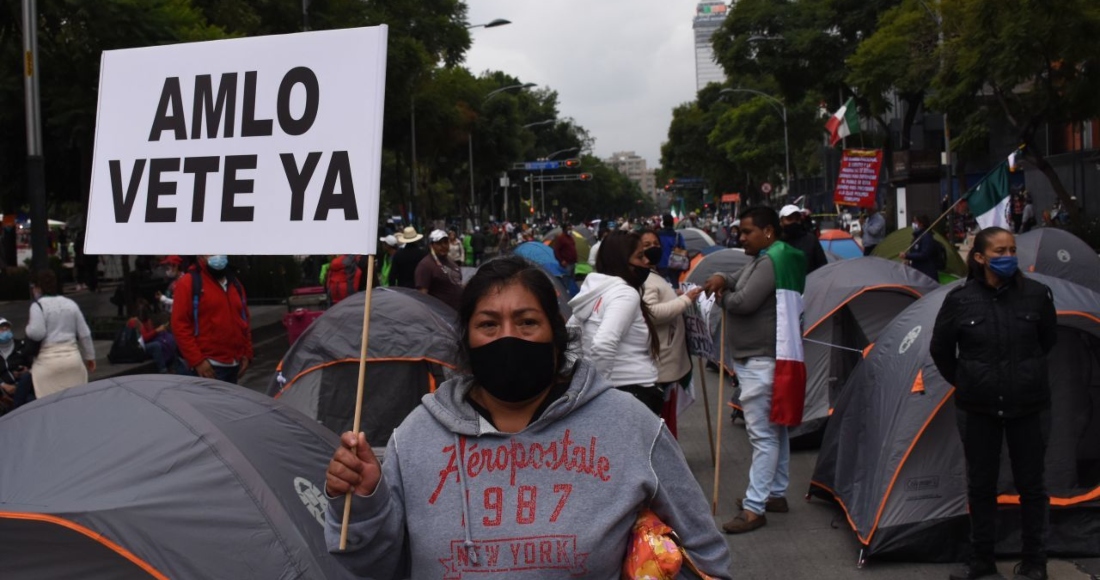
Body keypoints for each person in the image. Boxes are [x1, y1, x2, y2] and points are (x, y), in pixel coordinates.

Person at [323, 257, 732, 578]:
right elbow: (371, 568)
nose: (507, 337)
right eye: (488, 324)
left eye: (527, 322)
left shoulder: (630, 425)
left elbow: (706, 555)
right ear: (466, 338)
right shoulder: (414, 437)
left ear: (556, 335)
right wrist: (364, 504)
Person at [930, 227, 1056, 580]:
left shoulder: (1037, 295)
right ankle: (982, 561)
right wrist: (968, 381)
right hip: (978, 409)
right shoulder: (959, 300)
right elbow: (941, 351)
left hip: (1029, 406)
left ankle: (1035, 563)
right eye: (1000, 250)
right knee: (981, 486)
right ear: (981, 257)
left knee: (1032, 486)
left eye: (1012, 249)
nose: (1009, 256)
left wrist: (1020, 376)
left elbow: (1047, 340)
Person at [702, 207, 806, 534]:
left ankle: (754, 507)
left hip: (760, 360)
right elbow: (742, 280)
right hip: (762, 358)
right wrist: (724, 279)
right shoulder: (768, 258)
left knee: (763, 435)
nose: (741, 237)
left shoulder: (770, 260)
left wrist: (721, 297)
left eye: (747, 232)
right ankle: (775, 493)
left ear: (769, 231)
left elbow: (744, 300)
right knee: (775, 431)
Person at [568, 231, 662, 414]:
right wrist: (597, 393)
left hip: (623, 391)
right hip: (632, 392)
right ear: (620, 260)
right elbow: (603, 344)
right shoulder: (624, 293)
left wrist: (575, 379)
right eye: (640, 256)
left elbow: (570, 334)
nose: (646, 262)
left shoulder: (594, 291)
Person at [640, 230, 703, 437]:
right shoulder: (646, 278)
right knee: (660, 420)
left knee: (665, 415)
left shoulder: (653, 273)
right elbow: (652, 312)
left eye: (655, 243)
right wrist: (685, 300)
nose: (653, 247)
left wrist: (675, 295)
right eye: (646, 244)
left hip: (666, 358)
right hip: (661, 360)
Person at [171, 255, 253, 384]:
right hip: (209, 369)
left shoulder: (235, 283)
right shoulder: (188, 283)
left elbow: (244, 319)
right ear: (200, 256)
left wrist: (247, 353)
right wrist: (197, 361)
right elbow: (180, 325)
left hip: (234, 365)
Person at [25, 270, 96, 399]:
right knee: (75, 402)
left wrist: (28, 328)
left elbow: (37, 333)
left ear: (38, 288)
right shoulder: (70, 304)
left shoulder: (37, 306)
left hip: (47, 364)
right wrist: (90, 357)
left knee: (49, 406)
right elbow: (84, 334)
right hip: (72, 361)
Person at [415, 230, 464, 311]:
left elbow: (456, 283)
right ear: (431, 245)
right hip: (440, 315)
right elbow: (422, 296)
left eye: (445, 242)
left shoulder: (451, 262)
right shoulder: (426, 265)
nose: (443, 246)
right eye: (439, 243)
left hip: (457, 313)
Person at [778, 205, 827, 275]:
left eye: (797, 219)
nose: (794, 222)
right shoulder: (776, 242)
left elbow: (822, 265)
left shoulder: (811, 240)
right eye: (789, 219)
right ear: (781, 222)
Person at [0, 317, 34, 412]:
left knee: (26, 378)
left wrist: (27, 370)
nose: (5, 330)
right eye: (1, 329)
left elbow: (34, 365)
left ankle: (15, 408)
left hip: (24, 385)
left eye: (7, 328)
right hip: (4, 391)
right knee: (29, 402)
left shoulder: (22, 345)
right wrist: (3, 385)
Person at [899, 215, 939, 282]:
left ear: (921, 223)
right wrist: (909, 261)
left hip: (926, 273)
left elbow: (924, 254)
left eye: (915, 221)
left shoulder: (927, 237)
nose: (914, 224)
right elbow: (915, 252)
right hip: (918, 272)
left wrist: (907, 256)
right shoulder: (917, 237)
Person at [656, 214, 687, 288]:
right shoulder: (677, 235)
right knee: (675, 285)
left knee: (663, 287)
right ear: (673, 223)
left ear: (663, 223)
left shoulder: (657, 235)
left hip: (661, 265)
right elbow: (683, 249)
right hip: (675, 265)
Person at [553, 223, 578, 290]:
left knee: (572, 280)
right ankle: (565, 293)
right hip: (566, 264)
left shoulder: (570, 237)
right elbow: (556, 251)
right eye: (568, 228)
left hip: (573, 262)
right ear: (564, 229)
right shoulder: (560, 238)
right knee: (566, 280)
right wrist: (561, 260)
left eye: (570, 228)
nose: (570, 230)